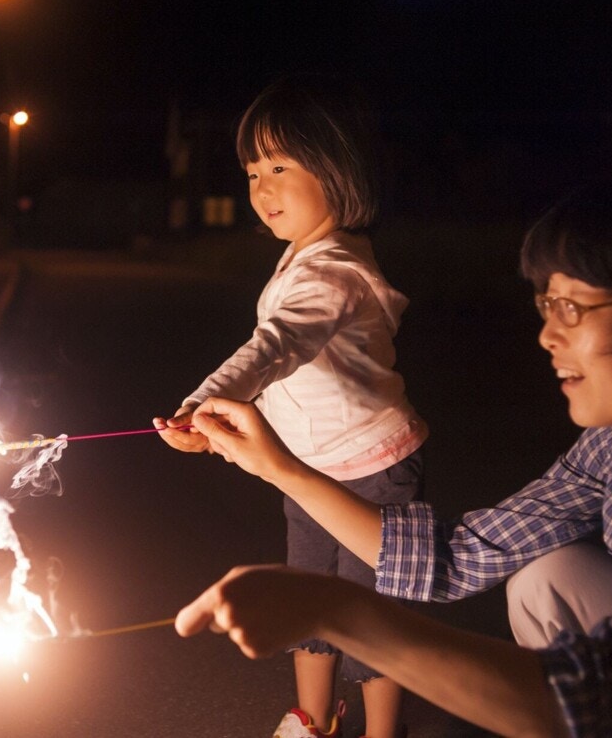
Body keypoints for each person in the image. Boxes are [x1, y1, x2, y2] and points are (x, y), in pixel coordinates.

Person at [175, 174, 612, 737]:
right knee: (548, 578)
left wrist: (337, 611)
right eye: (546, 305)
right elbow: (455, 557)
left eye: (573, 308)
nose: (549, 335)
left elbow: (608, 682)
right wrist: (276, 465)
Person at [154, 75, 427, 738]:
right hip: (304, 469)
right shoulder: (303, 257)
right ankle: (312, 719)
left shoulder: (332, 271)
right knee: (308, 596)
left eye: (280, 166)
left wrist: (208, 401)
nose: (261, 187)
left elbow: (275, 346)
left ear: (337, 170)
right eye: (252, 171)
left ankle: (381, 733)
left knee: (372, 611)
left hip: (373, 470)